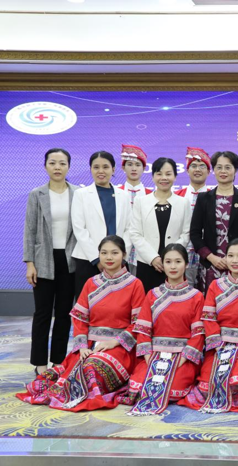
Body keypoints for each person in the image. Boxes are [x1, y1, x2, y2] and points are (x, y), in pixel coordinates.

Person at [17, 235, 145, 411]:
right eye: (104, 253)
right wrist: (82, 346)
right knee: (57, 375)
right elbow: (80, 318)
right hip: (90, 346)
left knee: (91, 367)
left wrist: (114, 342)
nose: (109, 257)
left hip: (120, 348)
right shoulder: (91, 283)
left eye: (114, 253)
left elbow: (138, 324)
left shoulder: (135, 284)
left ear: (124, 255)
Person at [179, 238, 238, 413]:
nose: (235, 260)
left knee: (237, 381)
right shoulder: (215, 285)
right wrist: (218, 345)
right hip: (219, 346)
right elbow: (208, 317)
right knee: (206, 385)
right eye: (231, 256)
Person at [118, 243, 205, 415]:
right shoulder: (152, 294)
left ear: (186, 264)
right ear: (162, 264)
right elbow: (143, 329)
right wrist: (149, 358)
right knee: (138, 388)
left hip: (182, 356)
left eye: (178, 262)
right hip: (154, 355)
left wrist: (182, 360)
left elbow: (198, 334)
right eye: (168, 262)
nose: (173, 266)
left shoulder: (196, 297)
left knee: (172, 389)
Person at [23, 148, 78, 376]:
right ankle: (40, 365)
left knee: (64, 314)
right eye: (53, 163)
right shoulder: (37, 194)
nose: (57, 167)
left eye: (62, 163)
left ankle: (58, 362)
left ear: (68, 166)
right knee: (43, 314)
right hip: (43, 259)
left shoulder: (78, 193)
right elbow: (30, 230)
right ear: (45, 166)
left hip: (70, 259)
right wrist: (30, 263)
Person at [190, 151, 238, 293]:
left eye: (228, 167)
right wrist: (211, 257)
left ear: (235, 170)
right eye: (219, 167)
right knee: (211, 303)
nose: (223, 171)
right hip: (210, 265)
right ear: (213, 170)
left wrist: (237, 257)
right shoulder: (203, 198)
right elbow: (195, 233)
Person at [71, 151, 132, 300]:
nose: (101, 171)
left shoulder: (123, 195)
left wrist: (120, 257)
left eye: (105, 167)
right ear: (91, 169)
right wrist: (97, 259)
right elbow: (79, 229)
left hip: (118, 262)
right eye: (96, 167)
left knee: (118, 303)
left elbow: (129, 229)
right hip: (88, 261)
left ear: (113, 169)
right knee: (87, 303)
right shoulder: (81, 194)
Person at [130, 157, 191, 292]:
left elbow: (186, 233)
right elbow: (135, 233)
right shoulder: (141, 201)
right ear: (153, 177)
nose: (164, 178)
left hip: (174, 265)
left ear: (175, 176)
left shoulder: (183, 202)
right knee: (147, 299)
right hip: (147, 262)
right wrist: (153, 258)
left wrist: (171, 256)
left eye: (168, 174)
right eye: (159, 174)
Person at [175, 147, 212, 291]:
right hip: (182, 252)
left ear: (208, 171)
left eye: (202, 166)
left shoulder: (215, 197)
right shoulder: (176, 196)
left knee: (208, 291)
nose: (197, 169)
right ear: (187, 170)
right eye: (194, 166)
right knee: (183, 292)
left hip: (208, 253)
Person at [119, 145, 153, 272]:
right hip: (120, 248)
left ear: (144, 168)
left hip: (144, 250)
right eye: (130, 164)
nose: (134, 168)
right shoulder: (116, 193)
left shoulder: (151, 195)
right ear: (123, 167)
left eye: (138, 165)